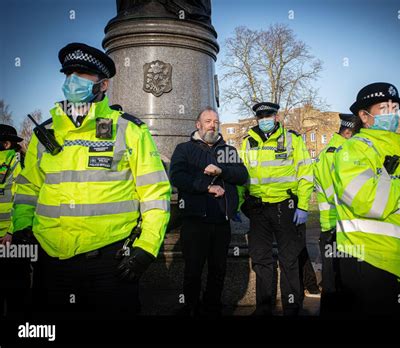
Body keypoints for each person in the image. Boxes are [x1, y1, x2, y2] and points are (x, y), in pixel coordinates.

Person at [12, 42, 171, 318]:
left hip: (109, 266)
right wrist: (23, 227)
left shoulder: (129, 130)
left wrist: (145, 248)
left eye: (82, 76)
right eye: (68, 75)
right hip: (51, 265)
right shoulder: (44, 134)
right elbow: (27, 188)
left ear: (103, 85)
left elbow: (155, 193)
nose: (72, 82)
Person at [333, 82, 400, 317]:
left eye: (395, 108)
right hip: (370, 260)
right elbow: (364, 199)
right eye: (385, 108)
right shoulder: (355, 148)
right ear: (364, 115)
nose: (393, 114)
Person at [169, 107, 248, 316]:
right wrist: (206, 186)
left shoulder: (228, 151)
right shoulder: (184, 149)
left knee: (218, 270)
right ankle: (191, 307)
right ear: (198, 125)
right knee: (193, 270)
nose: (212, 125)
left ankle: (212, 307)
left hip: (221, 221)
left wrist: (222, 171)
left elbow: (242, 175)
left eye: (215, 121)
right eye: (207, 121)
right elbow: (176, 177)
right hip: (195, 221)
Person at [239, 102, 313, 316]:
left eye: (268, 115)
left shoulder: (292, 139)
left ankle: (291, 307)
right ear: (256, 119)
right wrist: (238, 204)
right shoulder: (248, 142)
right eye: (260, 116)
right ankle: (263, 307)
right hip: (258, 208)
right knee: (261, 259)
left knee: (289, 258)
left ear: (276, 116)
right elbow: (241, 175)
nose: (264, 119)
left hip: (286, 206)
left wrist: (303, 206)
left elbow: (306, 173)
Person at [313, 113, 361, 316]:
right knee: (334, 283)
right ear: (348, 132)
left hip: (340, 225)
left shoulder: (339, 151)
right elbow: (337, 192)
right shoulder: (335, 154)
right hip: (335, 226)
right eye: (358, 134)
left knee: (341, 281)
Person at [0, 125, 30, 317]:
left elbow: (23, 198)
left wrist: (12, 231)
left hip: (11, 240)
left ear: (6, 143)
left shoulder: (18, 162)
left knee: (15, 292)